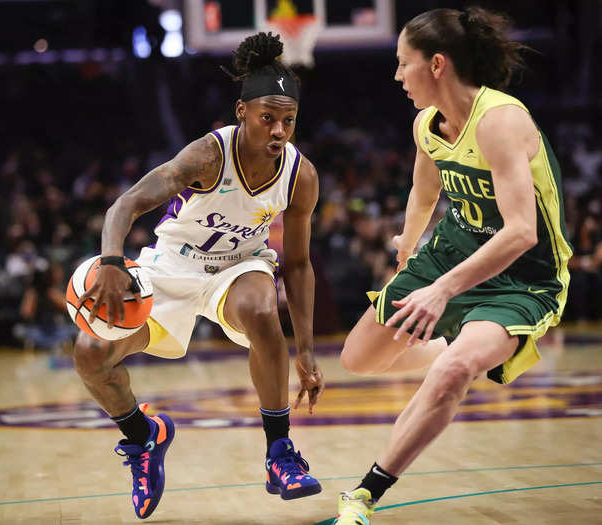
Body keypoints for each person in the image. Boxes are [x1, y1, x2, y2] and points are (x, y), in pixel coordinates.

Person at [73, 32, 324, 519]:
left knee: (260, 309)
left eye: (287, 120)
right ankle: (145, 438)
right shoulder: (208, 156)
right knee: (90, 356)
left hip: (240, 266)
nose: (278, 130)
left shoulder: (301, 175)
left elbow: (296, 263)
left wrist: (308, 350)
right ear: (241, 112)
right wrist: (109, 261)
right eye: (267, 118)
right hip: (171, 266)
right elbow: (126, 204)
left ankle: (280, 454)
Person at [335, 7, 572, 523]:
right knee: (358, 359)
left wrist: (440, 290)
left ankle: (363, 494)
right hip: (452, 250)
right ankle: (448, 342)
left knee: (454, 371)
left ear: (436, 64)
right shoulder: (428, 124)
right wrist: (405, 253)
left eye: (404, 64)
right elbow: (424, 196)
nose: (397, 76)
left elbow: (521, 232)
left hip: (522, 275)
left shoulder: (500, 120)